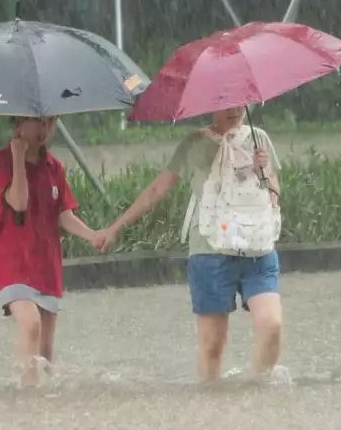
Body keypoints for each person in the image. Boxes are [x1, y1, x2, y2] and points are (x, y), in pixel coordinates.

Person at [95, 107, 286, 383]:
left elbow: (274, 194)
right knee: (212, 345)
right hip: (210, 252)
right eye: (226, 103)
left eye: (239, 102)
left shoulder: (259, 139)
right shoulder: (194, 143)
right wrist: (115, 228)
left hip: (257, 248)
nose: (234, 110)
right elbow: (157, 190)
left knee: (272, 326)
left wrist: (263, 171)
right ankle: (211, 402)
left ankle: (259, 395)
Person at [0, 116, 100, 386]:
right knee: (31, 324)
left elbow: (63, 215)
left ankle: (43, 399)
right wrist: (18, 158)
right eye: (37, 121)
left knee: (45, 352)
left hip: (45, 263)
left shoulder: (54, 167)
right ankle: (28, 399)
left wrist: (92, 235)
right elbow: (19, 203)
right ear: (18, 123)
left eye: (51, 122)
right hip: (10, 262)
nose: (44, 129)